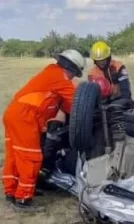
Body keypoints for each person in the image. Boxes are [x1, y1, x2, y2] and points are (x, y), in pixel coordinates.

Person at [2, 49, 86, 212]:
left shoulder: (52, 74)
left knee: (14, 155)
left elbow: (67, 106)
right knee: (31, 157)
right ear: (71, 68)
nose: (73, 77)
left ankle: (11, 191)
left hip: (14, 114)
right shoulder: (59, 77)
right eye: (75, 73)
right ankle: (23, 199)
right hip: (24, 118)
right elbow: (77, 100)